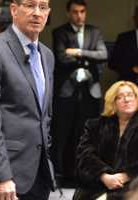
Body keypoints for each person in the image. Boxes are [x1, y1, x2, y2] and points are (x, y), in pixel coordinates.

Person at [0, 0, 55, 200]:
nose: (37, 13)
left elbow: (44, 114)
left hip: (39, 174)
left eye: (42, 7)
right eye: (29, 5)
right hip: (7, 176)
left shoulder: (47, 55)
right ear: (14, 10)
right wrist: (1, 176)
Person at [50, 0, 107, 185]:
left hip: (90, 91)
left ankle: (88, 173)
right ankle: (66, 174)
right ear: (68, 13)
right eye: (75, 12)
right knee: (66, 132)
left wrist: (78, 52)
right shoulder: (60, 32)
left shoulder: (94, 31)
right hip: (68, 90)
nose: (79, 16)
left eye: (82, 11)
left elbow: (103, 55)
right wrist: (87, 58)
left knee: (90, 133)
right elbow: (61, 58)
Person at [73, 80, 138, 200]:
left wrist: (126, 175)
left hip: (133, 187)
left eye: (130, 95)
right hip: (99, 183)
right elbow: (85, 155)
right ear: (113, 102)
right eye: (120, 97)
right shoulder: (95, 125)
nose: (127, 100)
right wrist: (103, 176)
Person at [108, 6, 138, 84]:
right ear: (135, 18)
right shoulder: (124, 38)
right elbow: (112, 64)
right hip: (127, 85)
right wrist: (132, 69)